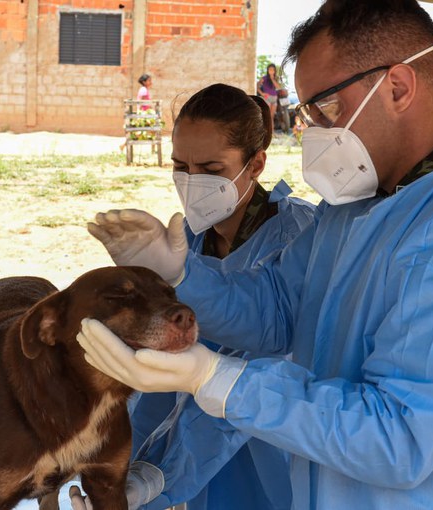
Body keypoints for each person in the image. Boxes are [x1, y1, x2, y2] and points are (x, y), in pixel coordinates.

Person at [78, 0, 433, 508]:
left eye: (325, 108)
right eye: (306, 112)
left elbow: (399, 435)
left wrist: (218, 380)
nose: (313, 132)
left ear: (397, 87)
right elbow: (277, 311)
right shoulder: (353, 211)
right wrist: (177, 273)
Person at [125, 83, 314, 510]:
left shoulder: (297, 238)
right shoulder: (187, 243)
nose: (192, 183)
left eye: (211, 168)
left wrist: (164, 469)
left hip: (267, 439)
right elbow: (160, 369)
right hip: (191, 451)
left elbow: (254, 368)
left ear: (256, 164)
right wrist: (132, 461)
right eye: (180, 166)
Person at [257, 64, 281, 132]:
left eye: (273, 70)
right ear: (267, 70)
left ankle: (271, 132)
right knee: (267, 115)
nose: (271, 71)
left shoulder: (275, 78)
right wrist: (262, 93)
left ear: (275, 71)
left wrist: (272, 78)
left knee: (271, 117)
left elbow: (278, 87)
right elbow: (257, 86)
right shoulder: (264, 78)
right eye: (270, 69)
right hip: (267, 97)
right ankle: (266, 131)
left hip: (274, 98)